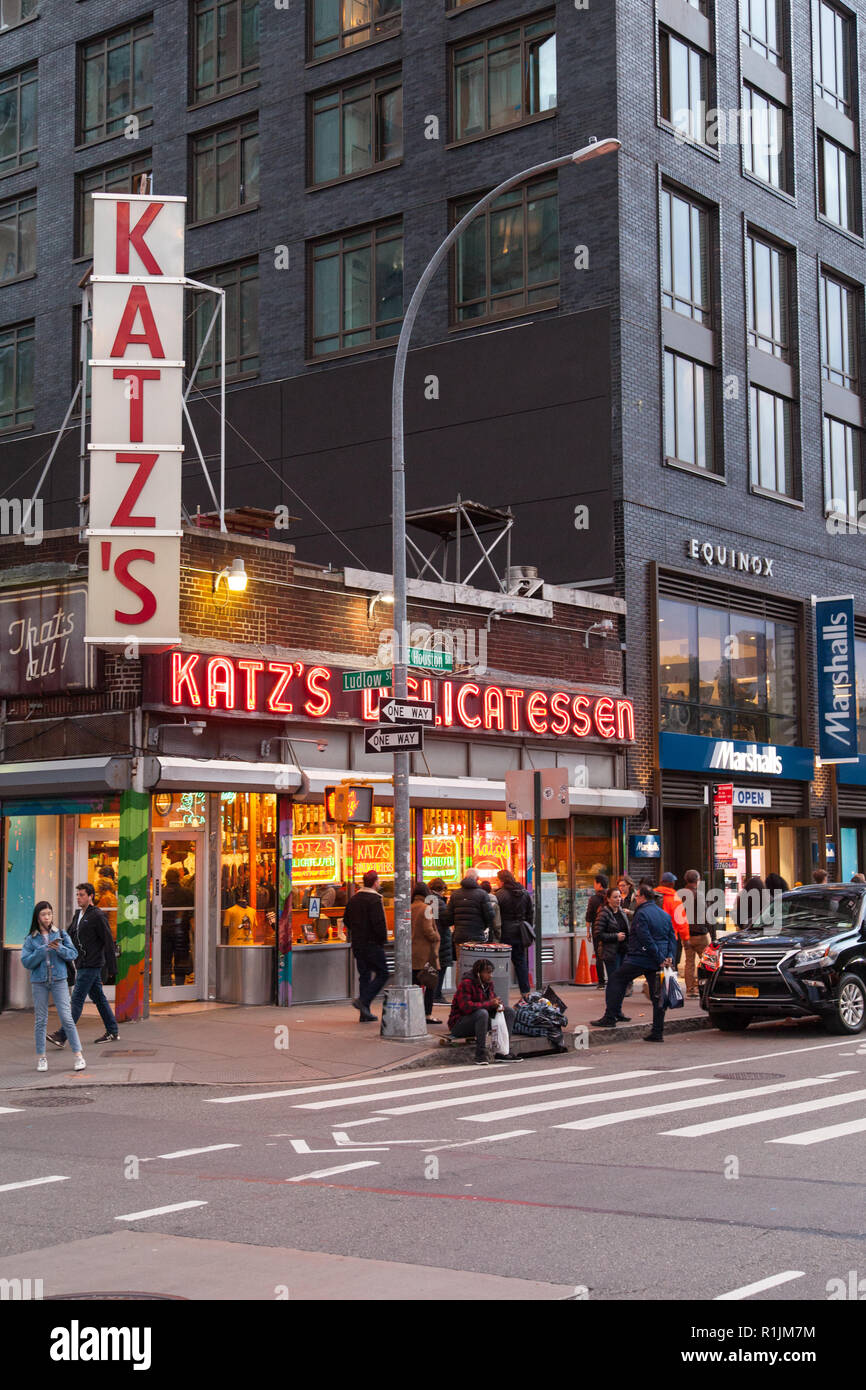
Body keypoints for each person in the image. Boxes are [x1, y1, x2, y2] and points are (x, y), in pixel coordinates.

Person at [592, 880, 677, 1041]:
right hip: (659, 960)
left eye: (637, 896)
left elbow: (645, 938)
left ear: (643, 897)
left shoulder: (641, 914)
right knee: (657, 995)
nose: (635, 899)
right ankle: (657, 1032)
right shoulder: (664, 915)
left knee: (616, 979)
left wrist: (659, 956)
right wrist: (669, 957)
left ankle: (610, 1017)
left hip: (642, 957)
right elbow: (671, 938)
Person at [48, 883, 118, 1049]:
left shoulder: (98, 916)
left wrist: (112, 968)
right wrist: (58, 941)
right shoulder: (78, 914)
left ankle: (62, 1035)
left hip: (92, 964)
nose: (78, 898)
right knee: (99, 998)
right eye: (77, 895)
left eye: (82, 895)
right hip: (82, 963)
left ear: (91, 896)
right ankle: (113, 1031)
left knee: (77, 999)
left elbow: (108, 941)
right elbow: (70, 933)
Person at [22, 902, 87, 1073]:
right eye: (43, 914)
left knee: (67, 1018)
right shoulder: (31, 939)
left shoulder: (60, 933)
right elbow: (26, 962)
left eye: (49, 914)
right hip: (39, 982)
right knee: (40, 1020)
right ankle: (41, 1058)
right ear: (37, 917)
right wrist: (42, 950)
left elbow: (73, 954)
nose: (47, 917)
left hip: (59, 980)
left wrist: (59, 948)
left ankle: (78, 1056)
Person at [447, 958, 519, 1064]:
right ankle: (480, 1054)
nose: (490, 976)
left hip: (481, 1022)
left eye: (491, 973)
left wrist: (498, 1005)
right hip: (459, 1024)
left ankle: (503, 1052)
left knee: (509, 1011)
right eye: (487, 973)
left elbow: (492, 1000)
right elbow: (466, 1007)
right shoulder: (466, 984)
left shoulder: (488, 984)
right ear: (478, 973)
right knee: (482, 1013)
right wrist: (489, 1004)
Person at [344, 870, 389, 1022]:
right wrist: (382, 939)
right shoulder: (375, 900)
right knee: (383, 973)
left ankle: (365, 1013)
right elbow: (378, 923)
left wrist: (357, 931)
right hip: (372, 944)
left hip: (358, 944)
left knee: (365, 976)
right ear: (375, 882)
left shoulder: (354, 899)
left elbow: (346, 920)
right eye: (378, 881)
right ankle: (363, 1001)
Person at [441, 871, 494, 966]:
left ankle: (461, 981)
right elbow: (490, 916)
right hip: (477, 936)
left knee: (461, 965)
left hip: (460, 936)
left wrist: (457, 923)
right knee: (477, 965)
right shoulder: (482, 894)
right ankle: (475, 981)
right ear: (477, 879)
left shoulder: (455, 894)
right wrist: (483, 926)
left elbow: (448, 918)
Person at [495, 868, 533, 996]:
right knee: (520, 962)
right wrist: (527, 927)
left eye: (497, 880)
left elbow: (495, 915)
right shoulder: (524, 893)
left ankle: (501, 991)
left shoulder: (500, 895)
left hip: (505, 931)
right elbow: (530, 914)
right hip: (520, 932)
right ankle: (526, 991)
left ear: (501, 880)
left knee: (501, 963)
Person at [595, 886, 631, 1019]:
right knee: (613, 982)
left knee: (621, 982)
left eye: (619, 897)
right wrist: (615, 936)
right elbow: (598, 934)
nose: (618, 899)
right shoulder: (604, 913)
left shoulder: (621, 911)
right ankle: (610, 1013)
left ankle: (618, 1011)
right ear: (608, 899)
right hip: (611, 953)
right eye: (615, 897)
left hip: (623, 952)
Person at [679, 868, 712, 996]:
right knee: (707, 962)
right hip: (700, 934)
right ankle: (707, 987)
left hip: (686, 934)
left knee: (689, 962)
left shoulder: (680, 895)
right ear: (697, 880)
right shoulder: (699, 895)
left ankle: (690, 989)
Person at [411, 880, 440, 1023]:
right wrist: (437, 936)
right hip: (425, 954)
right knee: (431, 983)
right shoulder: (427, 909)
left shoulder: (409, 907)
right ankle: (427, 1014)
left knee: (415, 985)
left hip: (412, 953)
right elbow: (429, 931)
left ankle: (414, 1013)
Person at [656, 872, 689, 969]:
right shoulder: (675, 899)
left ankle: (652, 982)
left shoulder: (652, 896)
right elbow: (681, 920)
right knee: (668, 965)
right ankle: (666, 983)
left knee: (654, 965)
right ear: (671, 884)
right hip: (669, 937)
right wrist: (685, 938)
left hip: (652, 936)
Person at [428, 878, 452, 1003]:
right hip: (441, 938)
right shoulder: (438, 902)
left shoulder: (428, 900)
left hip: (433, 937)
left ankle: (433, 994)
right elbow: (446, 920)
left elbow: (430, 920)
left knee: (435, 967)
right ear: (441, 889)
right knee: (440, 967)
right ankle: (436, 995)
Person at [586, 873, 609, 988]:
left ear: (599, 884)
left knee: (599, 956)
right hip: (610, 930)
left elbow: (589, 916)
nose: (594, 885)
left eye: (595, 883)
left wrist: (588, 932)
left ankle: (601, 982)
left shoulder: (593, 899)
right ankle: (612, 979)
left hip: (597, 930)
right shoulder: (611, 897)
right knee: (610, 954)